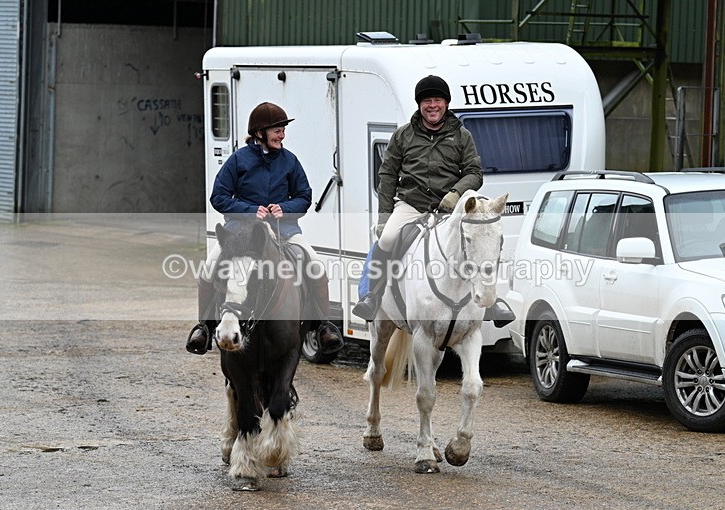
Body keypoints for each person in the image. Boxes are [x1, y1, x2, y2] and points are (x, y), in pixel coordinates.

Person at [352, 75, 513, 325]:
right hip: (411, 205)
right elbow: (387, 176)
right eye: (427, 101)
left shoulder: (462, 136)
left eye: (437, 100)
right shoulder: (402, 135)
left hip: (450, 209)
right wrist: (384, 217)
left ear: (446, 104)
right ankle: (370, 296)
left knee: (481, 241)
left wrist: (455, 194)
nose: (432, 105)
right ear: (419, 104)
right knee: (386, 239)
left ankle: (492, 303)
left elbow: (474, 172)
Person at [186, 102, 344, 355]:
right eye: (277, 130)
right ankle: (204, 327)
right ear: (260, 132)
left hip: (284, 230)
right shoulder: (238, 160)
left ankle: (322, 326)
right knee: (207, 269)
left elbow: (304, 196)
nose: (282, 135)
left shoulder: (290, 160)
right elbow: (219, 196)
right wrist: (250, 210)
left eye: (283, 130)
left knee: (316, 267)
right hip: (240, 231)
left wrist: (285, 208)